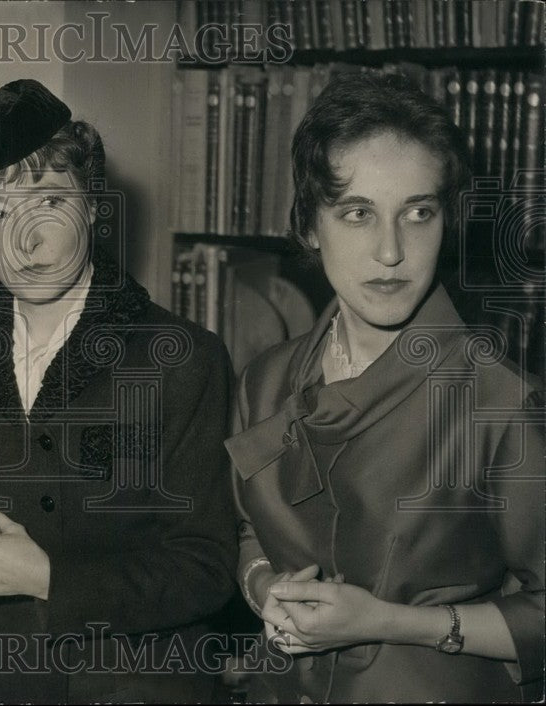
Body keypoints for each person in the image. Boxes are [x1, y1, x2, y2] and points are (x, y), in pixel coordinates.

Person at [0, 79, 238, 703]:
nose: (23, 240)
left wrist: (47, 578)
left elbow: (206, 567)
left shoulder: (181, 356)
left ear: (93, 206)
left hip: (132, 683)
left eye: (49, 202)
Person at [227, 72, 545, 703]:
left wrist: (389, 622)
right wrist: (265, 589)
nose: (391, 251)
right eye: (357, 213)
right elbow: (248, 536)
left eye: (418, 213)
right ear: (309, 226)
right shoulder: (265, 380)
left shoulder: (500, 402)